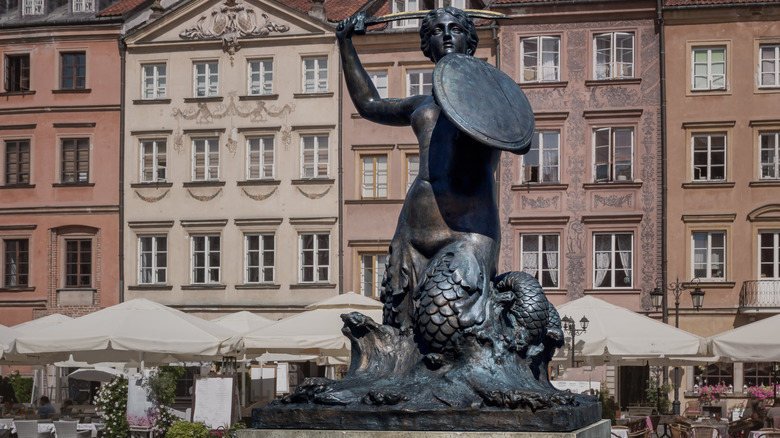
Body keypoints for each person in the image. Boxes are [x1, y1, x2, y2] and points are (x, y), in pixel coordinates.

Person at [337, 7, 521, 360]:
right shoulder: (420, 103)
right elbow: (369, 104)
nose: (447, 35)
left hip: (468, 227)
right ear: (427, 45)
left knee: (456, 326)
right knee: (398, 331)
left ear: (470, 41)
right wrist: (345, 43)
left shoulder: (489, 97)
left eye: (455, 28)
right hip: (415, 226)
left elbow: (516, 130)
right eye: (437, 30)